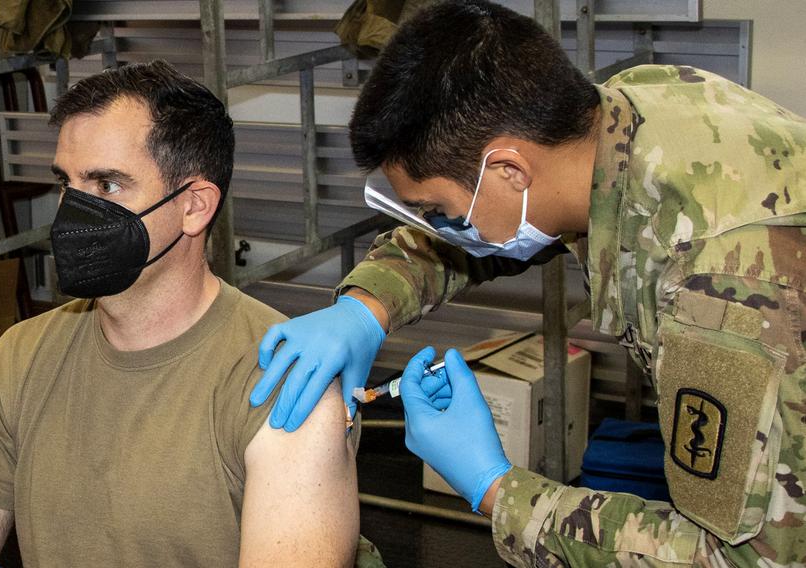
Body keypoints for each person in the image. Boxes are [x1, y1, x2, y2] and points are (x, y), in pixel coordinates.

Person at [249, 1, 806, 565]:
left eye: (439, 210)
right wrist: (367, 307)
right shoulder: (625, 114)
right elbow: (479, 231)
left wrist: (495, 488)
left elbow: (746, 558)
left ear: (510, 170)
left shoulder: (718, 282)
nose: (437, 230)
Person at [0, 61, 361, 567]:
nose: (72, 213)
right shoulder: (22, 357)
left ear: (194, 206)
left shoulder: (284, 383)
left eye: (107, 186)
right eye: (66, 184)